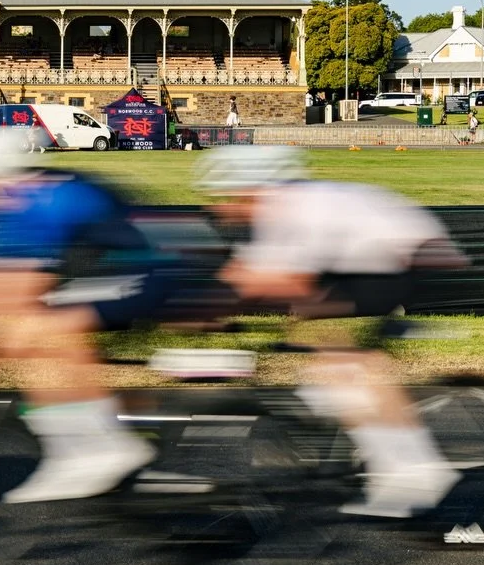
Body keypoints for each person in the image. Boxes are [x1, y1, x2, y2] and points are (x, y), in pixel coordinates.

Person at [195, 146, 465, 518]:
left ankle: (416, 469)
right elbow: (247, 271)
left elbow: (283, 280)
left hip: (404, 256)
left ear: (250, 191)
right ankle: (355, 413)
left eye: (225, 198)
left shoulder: (292, 209)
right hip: (368, 255)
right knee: (315, 336)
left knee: (343, 360)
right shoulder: (278, 207)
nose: (220, 208)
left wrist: (212, 308)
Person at [0, 131, 182, 504]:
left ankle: (96, 450)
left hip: (156, 271)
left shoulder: (28, 201)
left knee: (31, 330)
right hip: (130, 266)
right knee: (28, 329)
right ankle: (103, 427)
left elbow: (16, 291)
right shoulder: (14, 196)